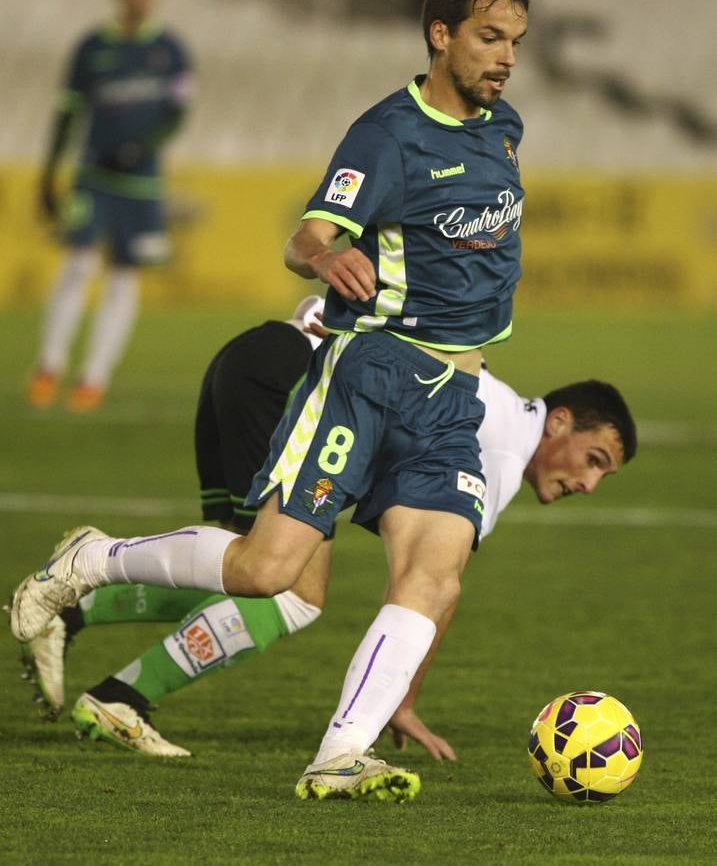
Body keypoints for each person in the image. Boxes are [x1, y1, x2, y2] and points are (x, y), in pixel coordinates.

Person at [13, 0, 537, 802]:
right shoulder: (388, 134)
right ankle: (94, 560)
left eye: (514, 39)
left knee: (434, 573)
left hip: (452, 398)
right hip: (371, 374)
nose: (505, 56)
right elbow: (307, 234)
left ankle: (339, 755)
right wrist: (329, 256)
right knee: (269, 574)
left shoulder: (502, 126)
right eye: (488, 37)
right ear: (439, 35)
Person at [18, 297, 637, 762]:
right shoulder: (500, 453)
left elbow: (332, 306)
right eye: (594, 460)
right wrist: (402, 698)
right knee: (289, 589)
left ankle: (75, 617)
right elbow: (435, 589)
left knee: (246, 569)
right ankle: (117, 676)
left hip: (256, 360)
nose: (588, 484)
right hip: (290, 388)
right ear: (558, 422)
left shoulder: (488, 399)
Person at [28, 0, 193, 413]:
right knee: (78, 265)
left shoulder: (170, 49)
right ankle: (49, 364)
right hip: (93, 177)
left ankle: (94, 377)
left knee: (124, 275)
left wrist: (142, 147)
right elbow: (68, 112)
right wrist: (48, 173)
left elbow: (178, 113)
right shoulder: (92, 46)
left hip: (141, 185)